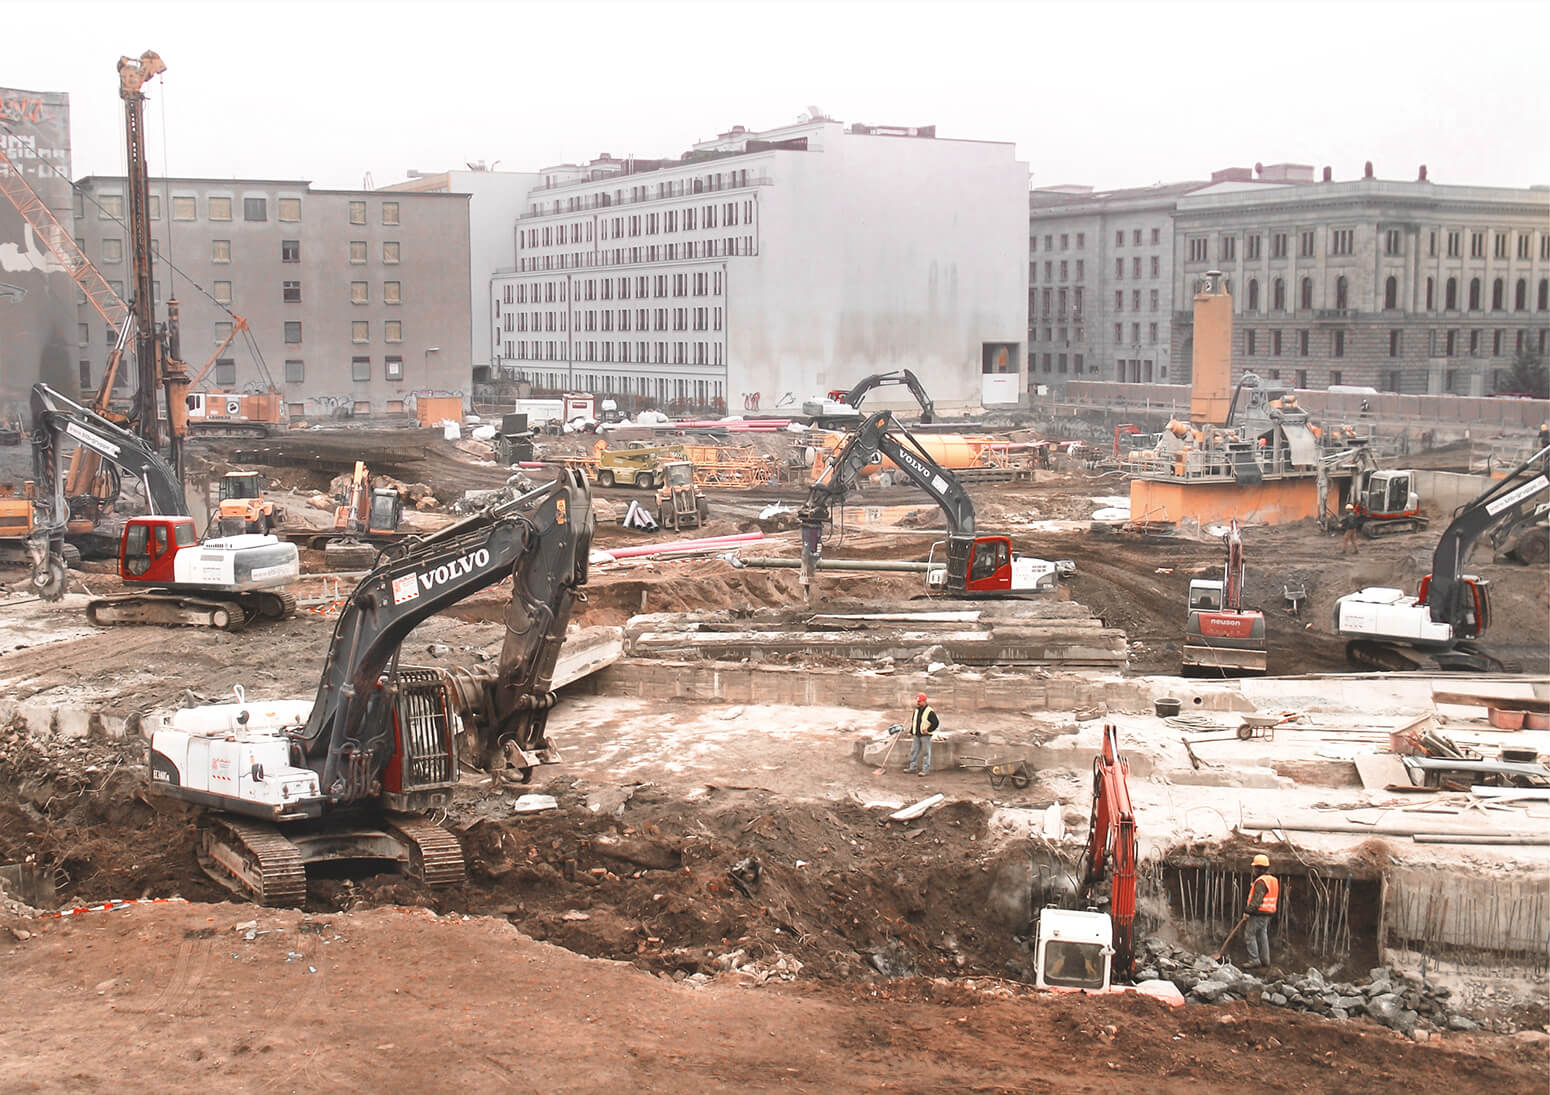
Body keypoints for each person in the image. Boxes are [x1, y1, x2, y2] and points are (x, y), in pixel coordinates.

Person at [1243, 853, 1279, 968]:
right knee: (1262, 934)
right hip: (1268, 913)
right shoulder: (1273, 880)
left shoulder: (1261, 881)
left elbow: (1257, 900)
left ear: (1259, 868)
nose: (1253, 870)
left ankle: (1254, 960)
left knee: (1250, 935)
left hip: (1258, 913)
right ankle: (1265, 960)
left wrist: (1248, 911)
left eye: (1254, 867)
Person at [904, 692, 939, 778]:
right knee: (914, 751)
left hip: (925, 736)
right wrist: (911, 732)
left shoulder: (929, 711)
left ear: (924, 701)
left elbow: (936, 723)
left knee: (926, 753)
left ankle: (925, 770)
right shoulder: (916, 710)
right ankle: (913, 767)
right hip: (916, 735)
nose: (918, 703)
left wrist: (928, 730)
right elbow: (914, 722)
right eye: (917, 701)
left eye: (919, 702)